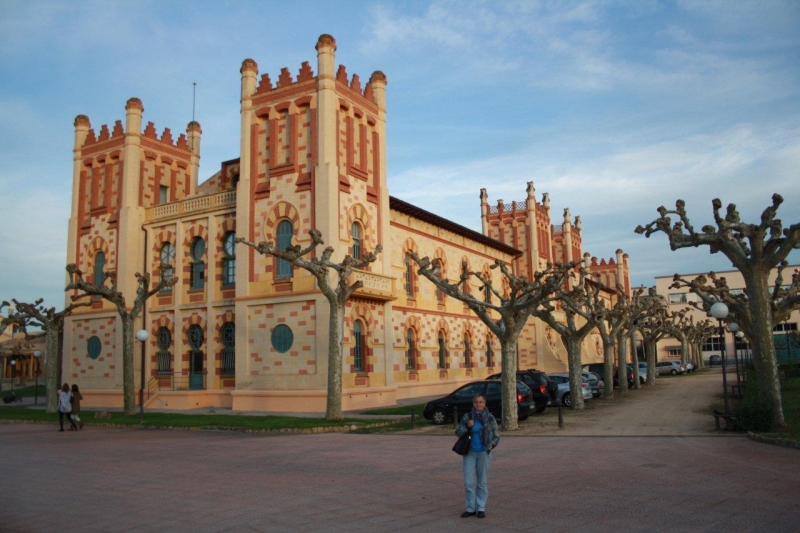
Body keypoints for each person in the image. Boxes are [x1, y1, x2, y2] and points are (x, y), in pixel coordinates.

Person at [455, 394, 499, 519]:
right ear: (473, 403)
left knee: (482, 482)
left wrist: (491, 445)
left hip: (483, 453)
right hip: (469, 453)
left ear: (485, 403)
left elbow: (496, 436)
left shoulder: (490, 418)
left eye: (481, 402)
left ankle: (480, 508)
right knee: (469, 483)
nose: (478, 404)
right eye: (476, 402)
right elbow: (458, 432)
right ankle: (470, 508)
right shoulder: (468, 417)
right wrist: (467, 426)